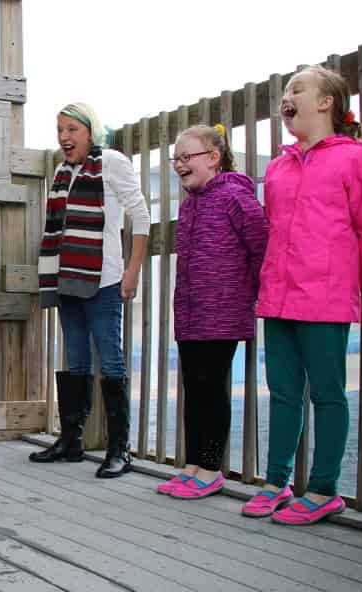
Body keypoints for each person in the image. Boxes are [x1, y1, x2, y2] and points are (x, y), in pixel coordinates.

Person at [242, 65, 362, 524]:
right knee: (282, 391)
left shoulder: (355, 159)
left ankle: (324, 489)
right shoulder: (279, 167)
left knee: (327, 393)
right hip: (278, 297)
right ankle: (276, 481)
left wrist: (343, 281)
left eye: (297, 89)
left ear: (326, 103)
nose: (288, 96)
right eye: (285, 91)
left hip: (326, 297)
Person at [30, 102, 150, 479]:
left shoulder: (111, 162)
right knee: (76, 360)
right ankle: (71, 441)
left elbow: (141, 214)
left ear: (90, 132)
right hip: (68, 277)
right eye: (60, 131)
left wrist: (133, 270)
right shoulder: (62, 170)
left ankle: (120, 450)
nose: (65, 138)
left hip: (104, 279)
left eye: (72, 130)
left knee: (111, 359)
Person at [156, 124, 268, 499]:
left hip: (222, 314)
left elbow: (260, 248)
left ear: (214, 158)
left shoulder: (236, 197)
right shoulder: (190, 204)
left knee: (213, 387)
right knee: (195, 387)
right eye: (176, 159)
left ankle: (211, 469)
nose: (179, 165)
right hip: (190, 313)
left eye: (186, 157)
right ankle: (192, 464)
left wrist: (242, 293)